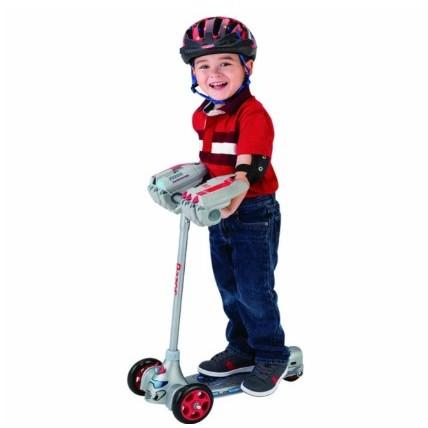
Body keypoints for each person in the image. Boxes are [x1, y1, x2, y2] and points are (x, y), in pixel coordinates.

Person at [179, 16, 290, 397]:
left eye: (225, 63)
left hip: (252, 213)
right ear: (193, 72)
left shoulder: (252, 114)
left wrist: (228, 200)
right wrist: (182, 184)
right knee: (229, 287)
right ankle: (242, 348)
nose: (214, 74)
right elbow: (211, 164)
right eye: (203, 65)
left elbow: (247, 171)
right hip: (218, 213)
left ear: (248, 67)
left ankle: (272, 354)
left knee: (254, 289)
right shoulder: (203, 115)